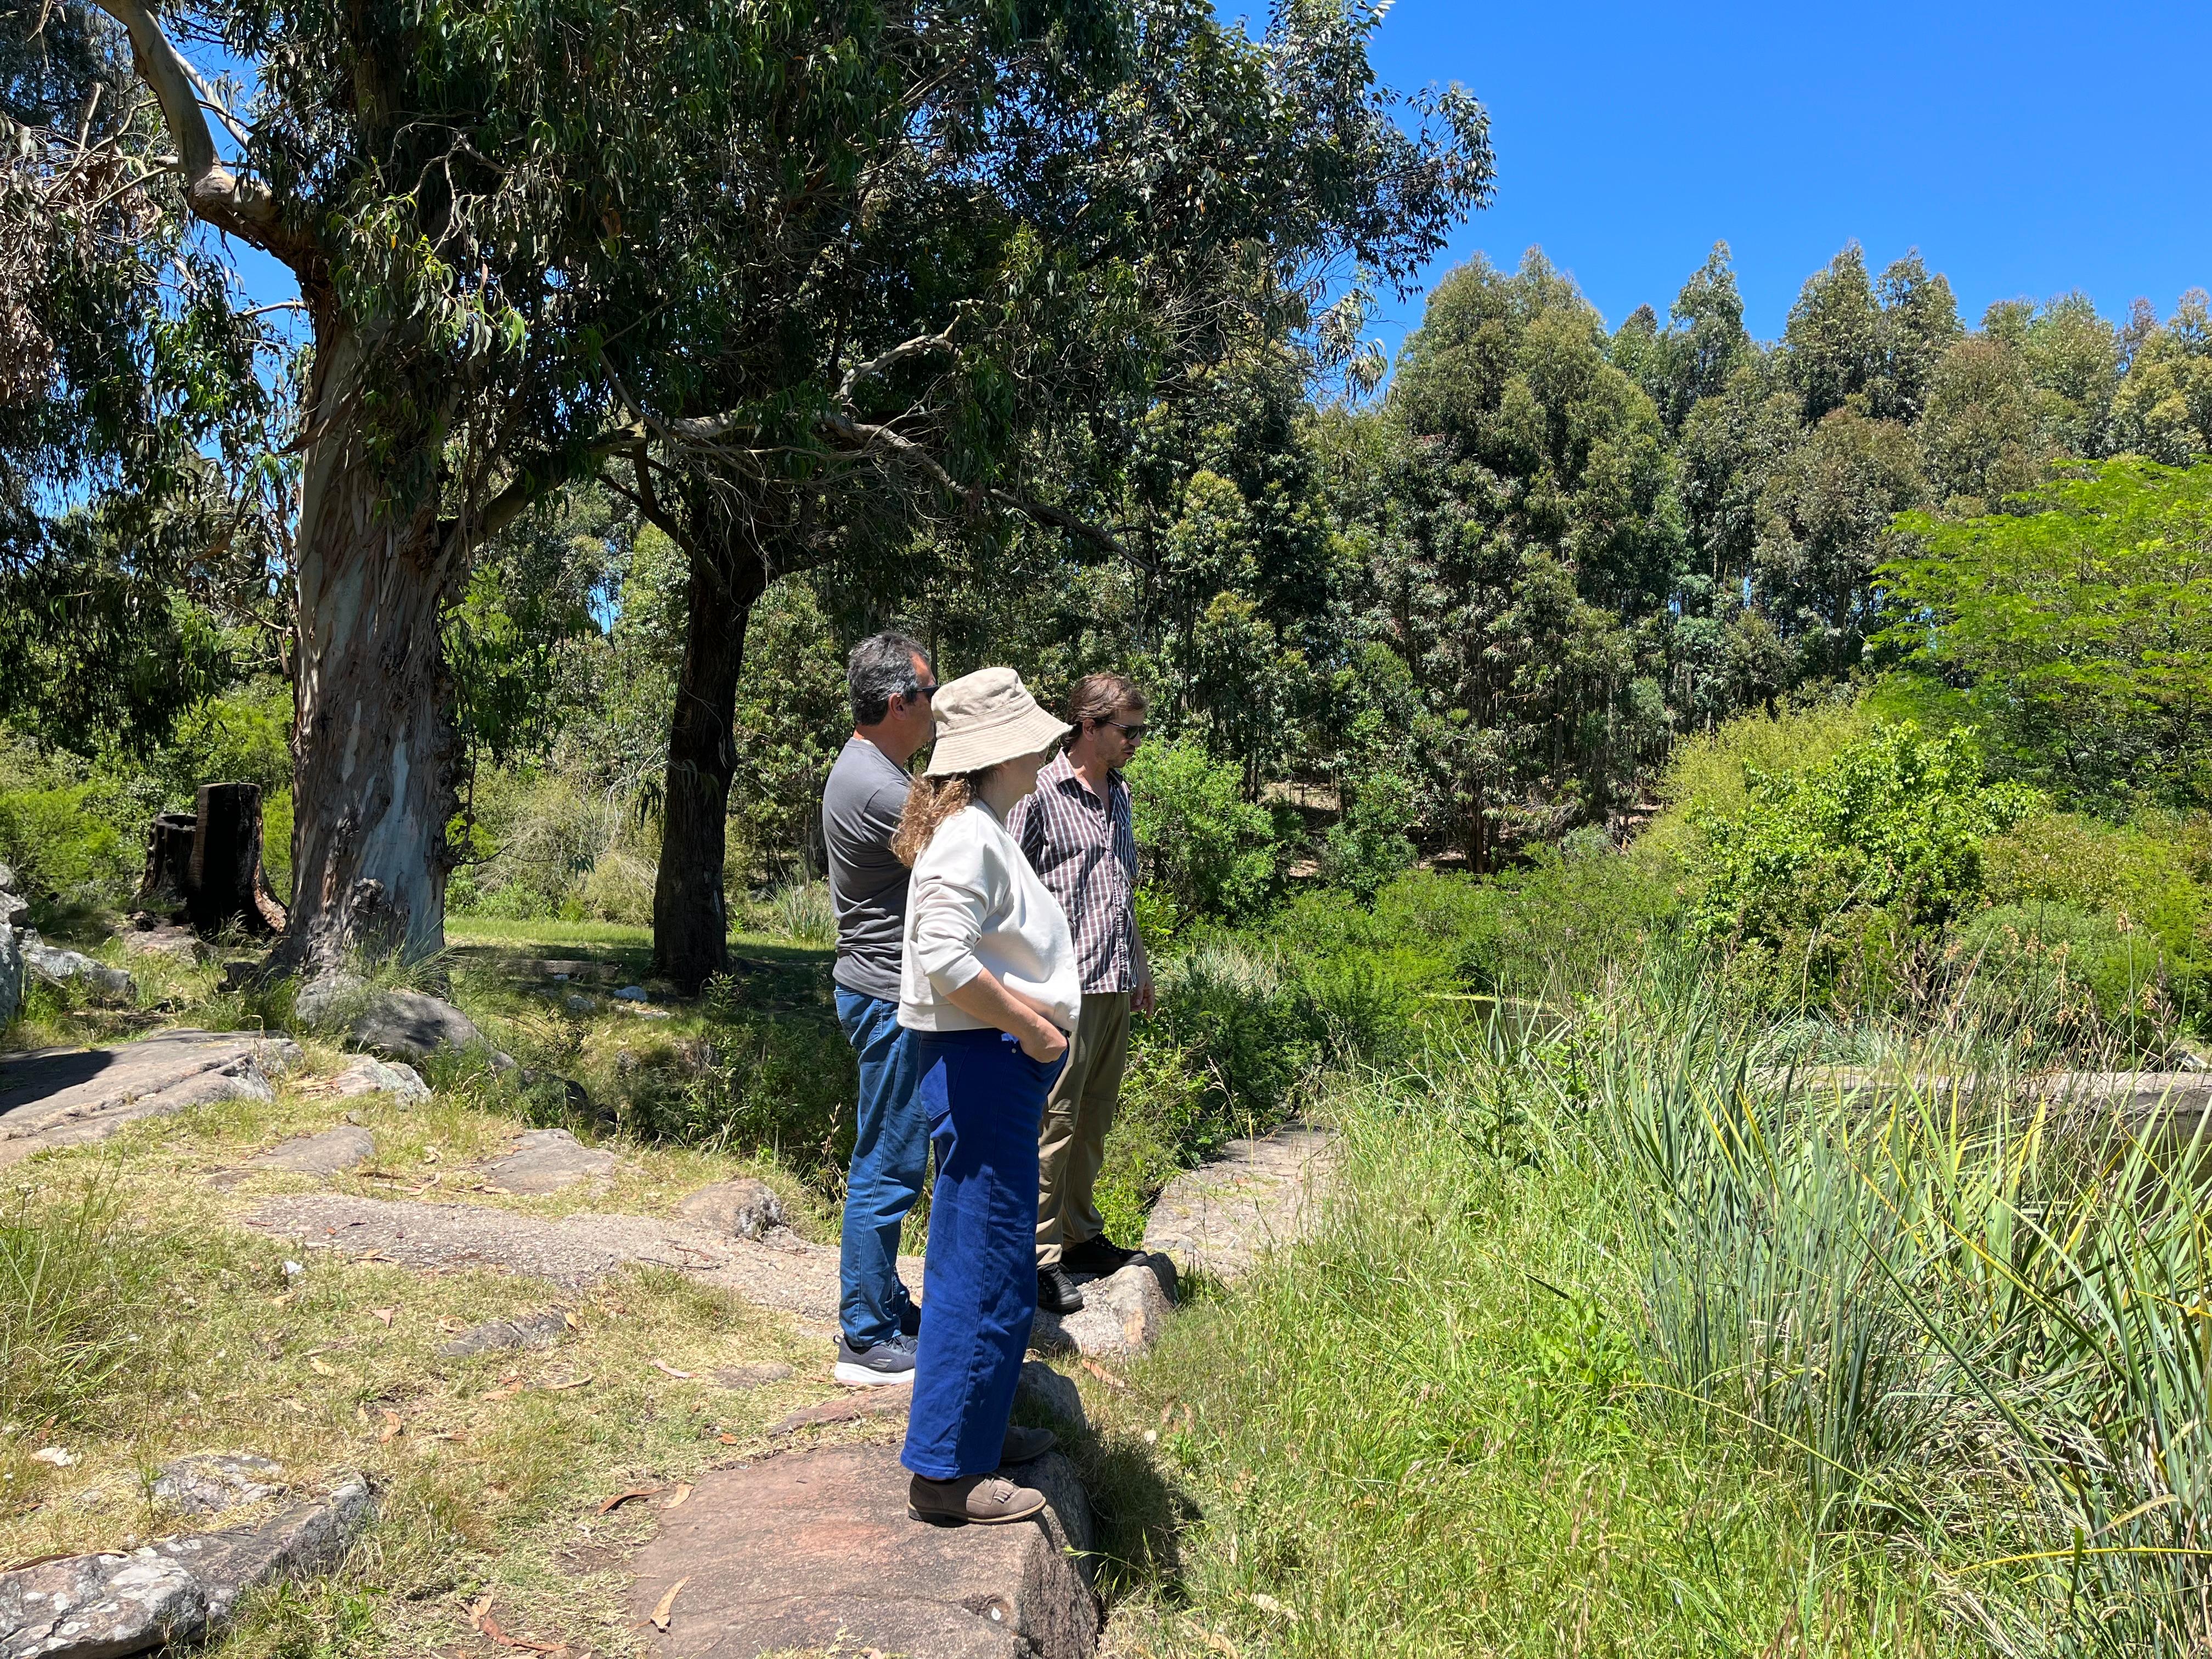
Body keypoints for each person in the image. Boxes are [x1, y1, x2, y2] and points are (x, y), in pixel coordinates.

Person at [894, 667, 1079, 1526]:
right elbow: (945, 956)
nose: (1049, 744)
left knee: (996, 1256)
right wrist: (1036, 1031)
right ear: (1004, 749)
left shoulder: (979, 827)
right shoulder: (969, 834)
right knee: (981, 1260)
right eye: (1035, 734)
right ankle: (945, 1474)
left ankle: (971, 1432)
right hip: (985, 1062)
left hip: (989, 1060)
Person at [1007, 673, 1155, 1317]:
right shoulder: (1039, 792)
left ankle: (1081, 1237)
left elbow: (1119, 887)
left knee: (1094, 1117)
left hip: (1113, 982)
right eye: (1128, 731)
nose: (1137, 743)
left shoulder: (1119, 795)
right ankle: (1037, 1261)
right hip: (1058, 990)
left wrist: (1140, 965)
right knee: (1054, 1125)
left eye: (1140, 731)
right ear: (1088, 727)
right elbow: (1004, 887)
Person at [823, 633, 938, 1386]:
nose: (938, 708)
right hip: (887, 997)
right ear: (899, 702)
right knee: (888, 1167)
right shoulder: (879, 787)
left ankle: (885, 1299)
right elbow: (964, 846)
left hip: (882, 990)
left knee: (892, 1156)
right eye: (931, 695)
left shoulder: (875, 768)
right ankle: (863, 1337)